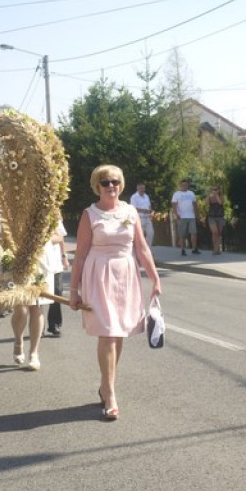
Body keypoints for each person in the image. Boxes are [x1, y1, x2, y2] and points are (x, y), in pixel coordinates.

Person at [70, 165, 161, 421]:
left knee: (118, 333)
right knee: (108, 333)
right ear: (97, 186)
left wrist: (155, 279)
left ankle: (105, 384)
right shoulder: (90, 214)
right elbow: (80, 255)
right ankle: (110, 394)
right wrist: (74, 290)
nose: (111, 186)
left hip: (125, 275)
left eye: (115, 182)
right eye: (105, 182)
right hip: (99, 275)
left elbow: (141, 248)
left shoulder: (130, 211)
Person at [12, 218, 67, 370]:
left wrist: (42, 238)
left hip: (42, 263)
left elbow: (59, 236)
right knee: (21, 308)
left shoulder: (50, 209)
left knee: (37, 307)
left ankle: (34, 353)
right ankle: (18, 340)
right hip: (20, 260)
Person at [44, 216, 69, 338]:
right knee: (39, 295)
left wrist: (64, 256)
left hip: (55, 262)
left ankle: (54, 324)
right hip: (40, 263)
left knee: (57, 292)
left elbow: (60, 237)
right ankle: (38, 325)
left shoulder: (54, 216)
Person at [171, 179, 200, 256]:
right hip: (182, 216)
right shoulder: (176, 194)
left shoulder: (191, 193)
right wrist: (176, 214)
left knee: (194, 233)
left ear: (188, 186)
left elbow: (194, 204)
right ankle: (183, 249)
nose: (184, 186)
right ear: (180, 186)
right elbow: (174, 205)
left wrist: (197, 215)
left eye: (186, 185)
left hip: (191, 216)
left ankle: (194, 249)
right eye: (183, 185)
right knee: (182, 234)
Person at [206, 185, 226, 255]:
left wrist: (216, 195)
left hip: (220, 217)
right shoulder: (210, 197)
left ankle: (218, 248)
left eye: (216, 189)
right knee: (215, 232)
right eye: (213, 189)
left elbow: (220, 202)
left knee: (219, 233)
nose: (214, 191)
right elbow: (207, 203)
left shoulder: (222, 196)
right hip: (212, 217)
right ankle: (215, 248)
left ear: (219, 190)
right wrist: (208, 195)